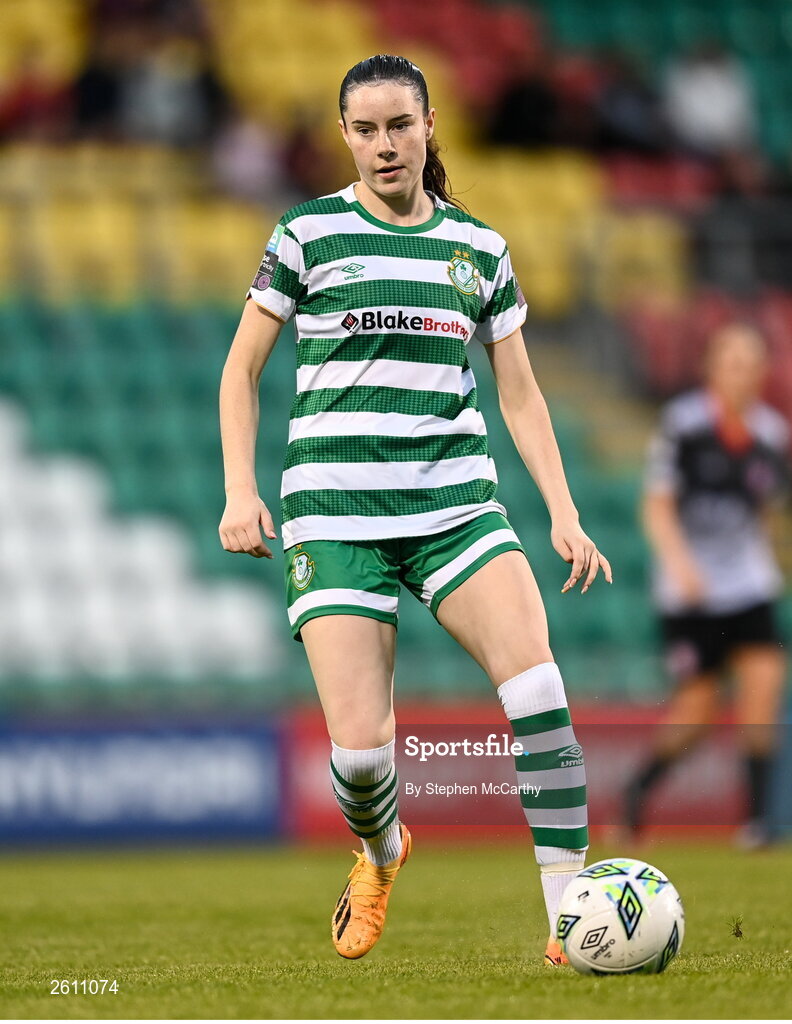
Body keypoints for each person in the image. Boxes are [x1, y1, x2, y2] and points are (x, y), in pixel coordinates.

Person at [218, 55, 611, 964]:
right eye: (364, 129)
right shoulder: (307, 232)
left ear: (430, 123)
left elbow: (520, 395)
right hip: (336, 514)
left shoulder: (479, 248)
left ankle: (570, 922)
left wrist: (562, 509)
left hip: (454, 503)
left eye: (400, 125)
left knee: (541, 690)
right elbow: (240, 369)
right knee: (360, 762)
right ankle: (383, 848)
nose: (383, 145)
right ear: (344, 134)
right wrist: (242, 489)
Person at [623, 323, 790, 849]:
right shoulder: (684, 425)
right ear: (712, 369)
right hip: (690, 590)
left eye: (752, 363)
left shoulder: (772, 434)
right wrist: (681, 564)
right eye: (733, 362)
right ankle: (637, 792)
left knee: (764, 686)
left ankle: (757, 824)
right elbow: (656, 506)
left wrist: (762, 561)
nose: (744, 373)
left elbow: (766, 512)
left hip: (748, 584)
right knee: (698, 709)